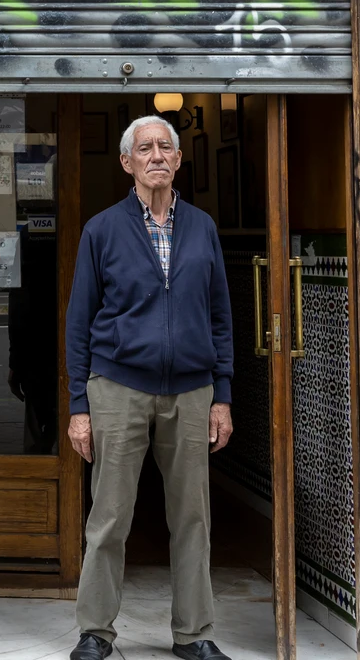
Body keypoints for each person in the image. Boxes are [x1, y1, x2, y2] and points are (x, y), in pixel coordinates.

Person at [66, 115, 235, 660]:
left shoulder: (202, 227)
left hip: (191, 391)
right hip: (117, 386)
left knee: (192, 518)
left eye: (166, 147)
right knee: (110, 515)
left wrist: (222, 395)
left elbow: (219, 317)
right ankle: (95, 631)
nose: (157, 156)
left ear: (179, 160)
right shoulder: (102, 229)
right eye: (145, 149)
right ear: (127, 163)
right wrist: (78, 406)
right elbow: (79, 321)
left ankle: (194, 634)